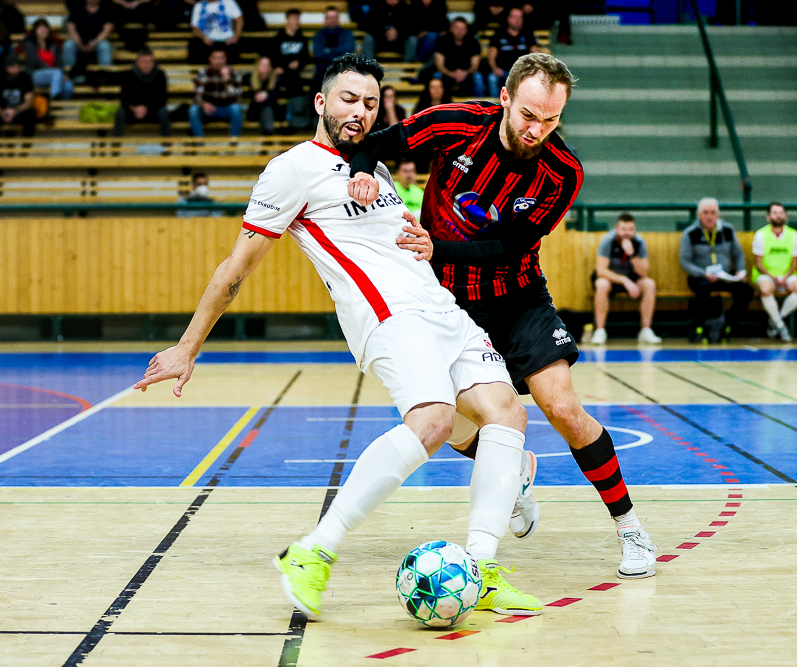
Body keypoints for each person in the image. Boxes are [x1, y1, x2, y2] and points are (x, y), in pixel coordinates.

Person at [134, 53, 541, 620]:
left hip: (440, 309)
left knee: (508, 416)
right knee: (433, 422)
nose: (361, 112)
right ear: (321, 102)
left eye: (371, 103)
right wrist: (187, 345)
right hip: (388, 316)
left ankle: (483, 569)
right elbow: (236, 267)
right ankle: (313, 552)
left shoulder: (373, 167)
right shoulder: (293, 168)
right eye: (349, 99)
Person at [347, 53, 660, 579]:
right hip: (444, 301)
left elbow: (508, 245)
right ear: (506, 99)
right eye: (529, 115)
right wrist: (359, 175)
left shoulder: (563, 173)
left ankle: (629, 526)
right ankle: (515, 473)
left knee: (561, 406)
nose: (538, 130)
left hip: (517, 297)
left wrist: (435, 247)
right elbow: (379, 144)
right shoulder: (457, 124)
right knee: (442, 421)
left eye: (551, 120)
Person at [680, 198, 752, 344]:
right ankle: (699, 328)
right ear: (699, 215)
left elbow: (738, 254)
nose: (709, 216)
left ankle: (728, 327)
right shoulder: (690, 233)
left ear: (718, 214)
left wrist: (740, 271)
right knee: (702, 290)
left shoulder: (728, 230)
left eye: (713, 212)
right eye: (706, 213)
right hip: (701, 276)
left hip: (724, 276)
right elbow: (685, 261)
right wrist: (702, 273)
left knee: (746, 291)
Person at [590, 213, 661, 345]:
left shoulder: (639, 242)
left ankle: (646, 330)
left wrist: (632, 254)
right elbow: (601, 270)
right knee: (601, 284)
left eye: (630, 230)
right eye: (623, 229)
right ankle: (600, 331)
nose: (626, 233)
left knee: (649, 284)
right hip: (612, 278)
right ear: (617, 228)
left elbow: (644, 272)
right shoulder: (608, 240)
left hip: (631, 279)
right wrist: (624, 280)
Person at [752, 202, 797, 342]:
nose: (778, 216)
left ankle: (775, 320)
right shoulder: (760, 234)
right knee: (766, 289)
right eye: (775, 213)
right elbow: (758, 264)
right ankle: (781, 326)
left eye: (781, 213)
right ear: (768, 217)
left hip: (787, 274)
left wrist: (785, 276)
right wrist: (773, 277)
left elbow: (794, 263)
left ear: (785, 216)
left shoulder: (793, 235)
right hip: (766, 274)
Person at [114, 48, 170, 136]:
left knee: (163, 112)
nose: (147, 65)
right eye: (144, 62)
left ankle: (167, 145)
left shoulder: (160, 75)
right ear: (137, 63)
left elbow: (162, 98)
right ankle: (116, 145)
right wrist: (134, 108)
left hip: (153, 111)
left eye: (150, 62)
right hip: (133, 111)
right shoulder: (129, 74)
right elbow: (123, 97)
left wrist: (147, 108)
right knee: (120, 113)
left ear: (154, 63)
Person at [189, 48, 243, 137]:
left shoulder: (234, 74)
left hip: (226, 108)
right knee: (193, 110)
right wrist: (203, 104)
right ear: (210, 59)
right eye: (216, 58)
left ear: (225, 59)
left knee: (236, 109)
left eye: (221, 58)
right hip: (208, 109)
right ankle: (200, 143)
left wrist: (227, 81)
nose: (219, 61)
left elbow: (238, 97)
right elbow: (196, 94)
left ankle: (233, 143)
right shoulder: (204, 73)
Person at [487, 7, 539, 98]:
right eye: (514, 17)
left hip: (522, 72)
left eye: (520, 18)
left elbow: (535, 54)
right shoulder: (499, 34)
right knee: (492, 78)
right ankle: (494, 107)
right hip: (503, 71)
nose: (517, 20)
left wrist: (531, 70)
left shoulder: (528, 34)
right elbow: (491, 56)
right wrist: (495, 68)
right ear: (508, 19)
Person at [433, 17, 485, 98]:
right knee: (436, 76)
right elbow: (439, 65)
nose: (459, 31)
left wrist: (465, 73)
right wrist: (451, 74)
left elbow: (475, 65)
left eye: (463, 29)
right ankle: (438, 103)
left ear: (467, 30)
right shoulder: (442, 40)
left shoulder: (473, 42)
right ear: (451, 29)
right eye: (457, 28)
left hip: (467, 73)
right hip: (447, 72)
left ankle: (481, 105)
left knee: (478, 77)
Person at [22, 18, 73, 101]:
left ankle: (62, 108)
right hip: (35, 74)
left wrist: (61, 73)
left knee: (68, 85)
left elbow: (59, 63)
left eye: (45, 28)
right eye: (40, 28)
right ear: (35, 30)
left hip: (54, 75)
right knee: (56, 73)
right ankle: (54, 99)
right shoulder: (30, 45)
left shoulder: (53, 45)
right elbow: (35, 61)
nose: (43, 30)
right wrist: (56, 72)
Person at [312, 7, 360, 89]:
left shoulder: (347, 34)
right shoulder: (319, 35)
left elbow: (349, 49)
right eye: (329, 17)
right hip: (323, 72)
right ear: (325, 19)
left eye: (334, 17)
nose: (332, 20)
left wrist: (329, 50)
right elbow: (318, 54)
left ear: (338, 19)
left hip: (343, 70)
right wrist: (338, 53)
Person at [64, 0, 114, 74]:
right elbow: (70, 25)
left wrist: (95, 42)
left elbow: (108, 28)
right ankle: (69, 74)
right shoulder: (77, 8)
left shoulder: (105, 10)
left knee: (105, 46)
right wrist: (78, 40)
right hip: (79, 41)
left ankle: (105, 75)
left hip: (97, 42)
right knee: (68, 45)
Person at [188, 0, 243, 65]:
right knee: (194, 46)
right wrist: (203, 37)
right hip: (207, 41)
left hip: (227, 41)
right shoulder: (199, 5)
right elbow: (195, 28)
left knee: (234, 49)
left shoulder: (229, 2)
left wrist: (236, 36)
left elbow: (239, 20)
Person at [271, 8, 310, 93]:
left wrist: (299, 62)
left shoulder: (303, 39)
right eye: (294, 19)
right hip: (281, 73)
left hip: (296, 74)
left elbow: (306, 57)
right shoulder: (277, 39)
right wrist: (281, 66)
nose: (297, 22)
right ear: (287, 20)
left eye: (298, 19)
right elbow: (273, 56)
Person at [0, 52, 35, 136]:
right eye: (12, 67)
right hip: (3, 110)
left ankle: (26, 144)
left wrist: (15, 111)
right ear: (6, 68)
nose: (15, 69)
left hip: (19, 110)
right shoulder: (1, 78)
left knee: (30, 114)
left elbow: (28, 102)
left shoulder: (25, 77)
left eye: (17, 66)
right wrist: (2, 113)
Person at [245, 55, 279, 135]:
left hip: (272, 110)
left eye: (267, 65)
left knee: (267, 108)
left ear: (270, 67)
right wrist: (256, 96)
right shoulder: (248, 78)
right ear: (257, 66)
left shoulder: (276, 79)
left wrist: (266, 96)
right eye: (262, 64)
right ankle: (268, 133)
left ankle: (267, 132)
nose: (265, 67)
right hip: (254, 110)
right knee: (266, 108)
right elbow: (246, 94)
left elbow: (276, 95)